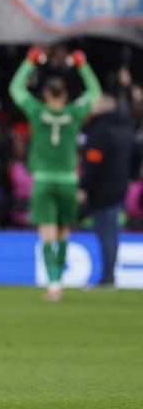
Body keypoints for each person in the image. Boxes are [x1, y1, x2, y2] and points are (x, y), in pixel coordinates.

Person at [9, 47, 102, 300]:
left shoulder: (37, 112)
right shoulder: (74, 113)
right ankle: (58, 279)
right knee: (63, 232)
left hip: (43, 180)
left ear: (45, 94)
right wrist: (82, 65)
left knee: (47, 231)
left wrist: (30, 62)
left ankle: (53, 283)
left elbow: (16, 89)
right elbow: (95, 93)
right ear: (66, 95)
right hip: (69, 181)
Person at [79, 93, 135, 287]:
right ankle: (110, 273)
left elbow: (93, 162)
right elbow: (136, 153)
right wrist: (131, 177)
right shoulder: (126, 128)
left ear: (103, 106)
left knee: (105, 233)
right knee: (112, 233)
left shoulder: (100, 129)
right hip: (119, 187)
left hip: (102, 189)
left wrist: (84, 186)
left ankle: (108, 277)